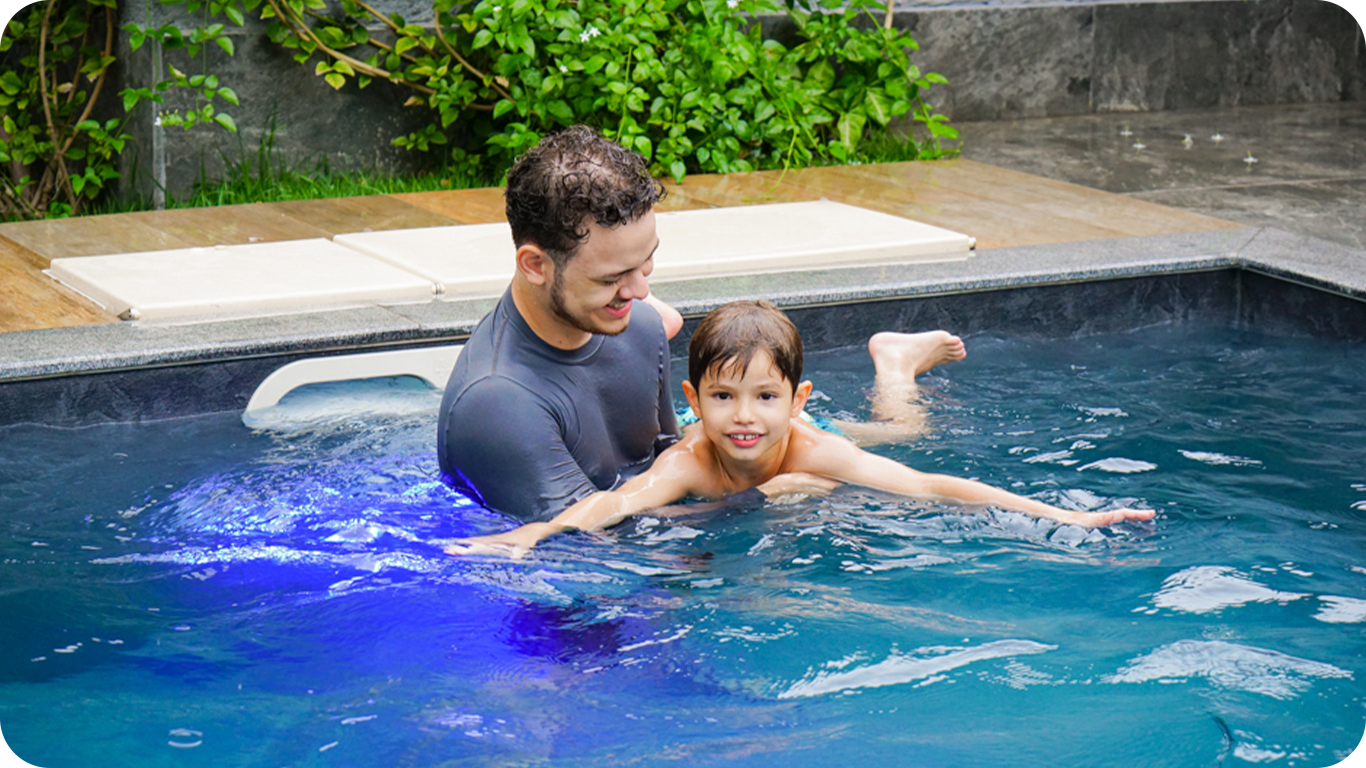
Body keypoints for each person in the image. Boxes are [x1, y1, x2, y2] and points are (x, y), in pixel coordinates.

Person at [437, 125, 968, 522]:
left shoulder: (639, 326)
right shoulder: (498, 404)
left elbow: (678, 451)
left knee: (900, 438)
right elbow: (584, 550)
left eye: (645, 265)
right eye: (612, 278)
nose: (641, 292)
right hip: (567, 615)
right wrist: (763, 495)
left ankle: (895, 370)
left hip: (682, 517)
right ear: (535, 265)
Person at [446, 300, 1156, 558]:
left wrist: (1068, 517)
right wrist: (526, 537)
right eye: (723, 397)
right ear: (694, 398)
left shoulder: (810, 441)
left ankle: (897, 362)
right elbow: (614, 504)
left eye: (763, 397)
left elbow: (934, 487)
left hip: (814, 443)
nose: (745, 416)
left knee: (900, 438)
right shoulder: (695, 455)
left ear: (794, 397)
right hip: (776, 461)